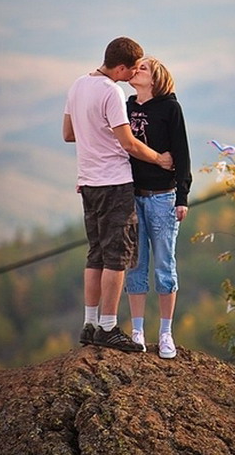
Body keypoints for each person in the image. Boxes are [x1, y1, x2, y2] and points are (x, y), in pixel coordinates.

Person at [63, 37, 173, 352]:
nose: (133, 74)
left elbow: (69, 134)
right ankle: (109, 327)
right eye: (132, 69)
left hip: (88, 183)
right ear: (121, 67)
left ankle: (90, 323)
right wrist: (159, 158)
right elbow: (128, 143)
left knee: (95, 253)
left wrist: (93, 135)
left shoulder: (78, 85)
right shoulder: (112, 91)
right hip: (114, 183)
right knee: (117, 258)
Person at [125, 56, 192, 359]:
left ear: (155, 79)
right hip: (131, 196)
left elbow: (182, 153)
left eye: (142, 69)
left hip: (163, 197)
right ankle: (137, 331)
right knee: (135, 264)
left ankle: (165, 333)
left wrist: (182, 197)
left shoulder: (170, 109)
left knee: (165, 266)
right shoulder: (127, 106)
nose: (135, 71)